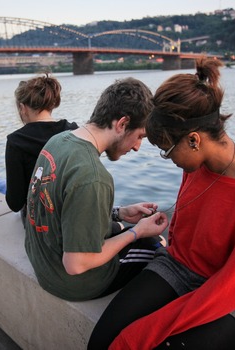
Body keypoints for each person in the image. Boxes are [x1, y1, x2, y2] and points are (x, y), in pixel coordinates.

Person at [88, 57, 235, 349]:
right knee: (101, 343)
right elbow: (183, 240)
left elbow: (228, 291)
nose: (169, 160)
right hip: (177, 268)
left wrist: (139, 336)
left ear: (194, 140)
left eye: (167, 151)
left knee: (135, 343)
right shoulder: (194, 165)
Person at [24, 78, 169, 302]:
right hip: (72, 282)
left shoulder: (58, 141)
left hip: (43, 263)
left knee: (122, 226)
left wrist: (119, 213)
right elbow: (76, 264)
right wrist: (136, 232)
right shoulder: (94, 177)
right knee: (157, 245)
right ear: (121, 124)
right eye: (140, 136)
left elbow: (61, 208)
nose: (138, 147)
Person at [5, 74, 78, 224]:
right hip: (73, 216)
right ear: (51, 104)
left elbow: (15, 203)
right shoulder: (73, 131)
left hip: (40, 223)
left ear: (22, 107)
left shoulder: (16, 141)